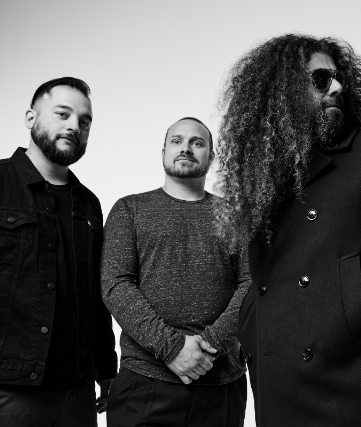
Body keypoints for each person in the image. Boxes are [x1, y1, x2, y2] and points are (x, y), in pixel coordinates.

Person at [213, 34, 361, 427]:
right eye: (321, 79)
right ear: (284, 91)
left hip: (352, 374)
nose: (338, 87)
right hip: (276, 373)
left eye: (339, 77)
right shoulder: (263, 172)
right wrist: (250, 323)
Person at [0, 77, 117, 427]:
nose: (74, 126)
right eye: (62, 113)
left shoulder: (89, 204)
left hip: (77, 392)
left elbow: (95, 297)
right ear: (30, 118)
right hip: (2, 392)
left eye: (85, 121)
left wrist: (107, 369)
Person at [101, 117, 249, 427]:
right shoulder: (130, 210)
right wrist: (171, 348)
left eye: (197, 143)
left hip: (221, 384)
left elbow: (251, 285)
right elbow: (116, 285)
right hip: (145, 383)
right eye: (177, 141)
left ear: (211, 156)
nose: (186, 148)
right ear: (163, 152)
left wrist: (209, 345)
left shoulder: (236, 217)